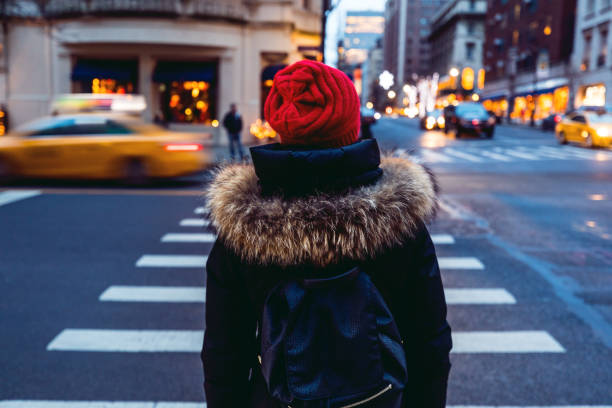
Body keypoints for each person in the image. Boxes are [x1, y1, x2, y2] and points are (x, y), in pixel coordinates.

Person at [202, 60, 451, 408]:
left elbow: (223, 354)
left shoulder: (242, 228)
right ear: (352, 126)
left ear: (281, 128)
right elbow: (430, 344)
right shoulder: (399, 221)